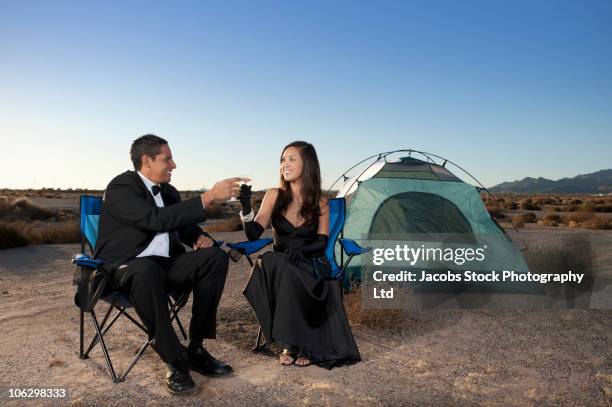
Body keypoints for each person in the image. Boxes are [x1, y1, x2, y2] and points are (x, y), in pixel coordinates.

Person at [94, 134, 243, 394]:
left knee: (214, 259)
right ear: (146, 160)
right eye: (168, 159)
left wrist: (199, 237)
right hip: (123, 270)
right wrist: (207, 197)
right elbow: (156, 220)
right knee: (146, 269)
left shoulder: (169, 192)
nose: (173, 165)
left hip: (163, 268)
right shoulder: (121, 186)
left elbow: (182, 225)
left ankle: (196, 348)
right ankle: (174, 360)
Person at [238, 141, 361, 368]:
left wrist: (300, 250)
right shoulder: (274, 195)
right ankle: (292, 344)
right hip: (280, 264)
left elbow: (322, 242)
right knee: (270, 260)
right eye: (283, 160)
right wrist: (246, 208)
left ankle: (296, 345)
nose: (285, 164)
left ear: (308, 164)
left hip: (311, 262)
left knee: (291, 268)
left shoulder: (320, 201)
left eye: (292, 159)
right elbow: (253, 234)